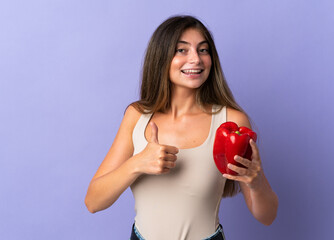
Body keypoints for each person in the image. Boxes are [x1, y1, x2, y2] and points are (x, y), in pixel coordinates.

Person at [84, 15, 278, 240]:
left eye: (203, 50)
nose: (196, 59)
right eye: (182, 50)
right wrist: (136, 164)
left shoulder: (231, 123)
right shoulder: (137, 116)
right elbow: (93, 202)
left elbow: (267, 216)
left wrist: (256, 182)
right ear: (161, 57)